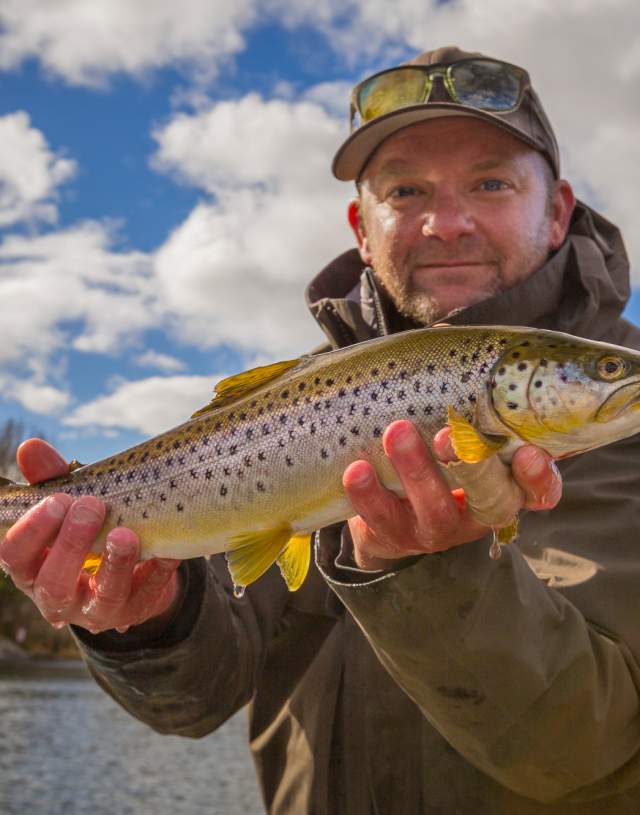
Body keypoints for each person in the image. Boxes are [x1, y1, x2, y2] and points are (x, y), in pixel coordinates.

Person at [1, 45, 639, 814]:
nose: (446, 221)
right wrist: (145, 622)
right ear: (361, 229)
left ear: (559, 208)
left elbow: (590, 748)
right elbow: (198, 698)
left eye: (491, 182)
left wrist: (433, 577)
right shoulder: (295, 405)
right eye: (406, 189)